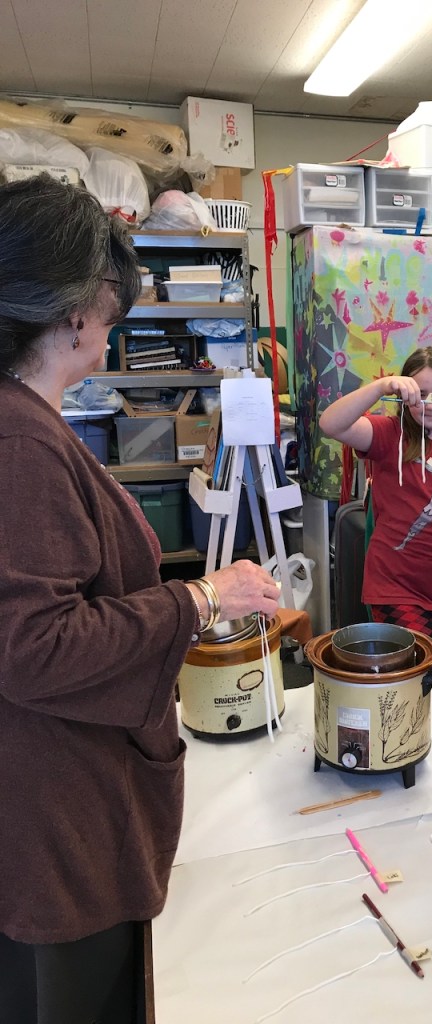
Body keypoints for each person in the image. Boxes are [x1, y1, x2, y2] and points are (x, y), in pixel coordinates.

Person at [0, 177, 281, 1023]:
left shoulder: (28, 422)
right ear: (73, 313)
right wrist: (201, 597)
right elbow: (36, 647)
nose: (117, 312)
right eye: (111, 294)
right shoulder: (20, 442)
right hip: (61, 812)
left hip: (56, 798)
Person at [319, 345, 432, 666]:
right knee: (416, 670)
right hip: (396, 586)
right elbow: (331, 424)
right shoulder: (390, 435)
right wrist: (381, 387)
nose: (430, 404)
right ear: (405, 396)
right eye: (420, 394)